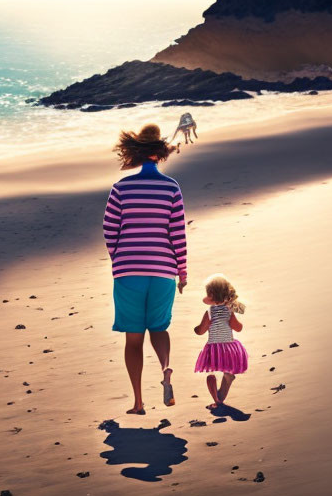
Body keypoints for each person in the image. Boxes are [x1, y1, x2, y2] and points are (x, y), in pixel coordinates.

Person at [103, 124, 187, 415]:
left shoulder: (121, 188)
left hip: (128, 272)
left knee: (134, 338)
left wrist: (119, 260)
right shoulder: (171, 188)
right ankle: (166, 368)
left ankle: (138, 403)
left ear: (137, 153)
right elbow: (178, 234)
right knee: (159, 328)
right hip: (164, 271)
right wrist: (182, 271)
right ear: (161, 154)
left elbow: (109, 230)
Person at [194, 274, 248, 409]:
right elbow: (238, 327)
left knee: (210, 374)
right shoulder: (230, 311)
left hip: (214, 348)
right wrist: (236, 323)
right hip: (229, 347)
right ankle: (222, 393)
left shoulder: (210, 312)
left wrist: (196, 329)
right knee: (226, 370)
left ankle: (217, 401)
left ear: (211, 295)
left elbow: (201, 330)